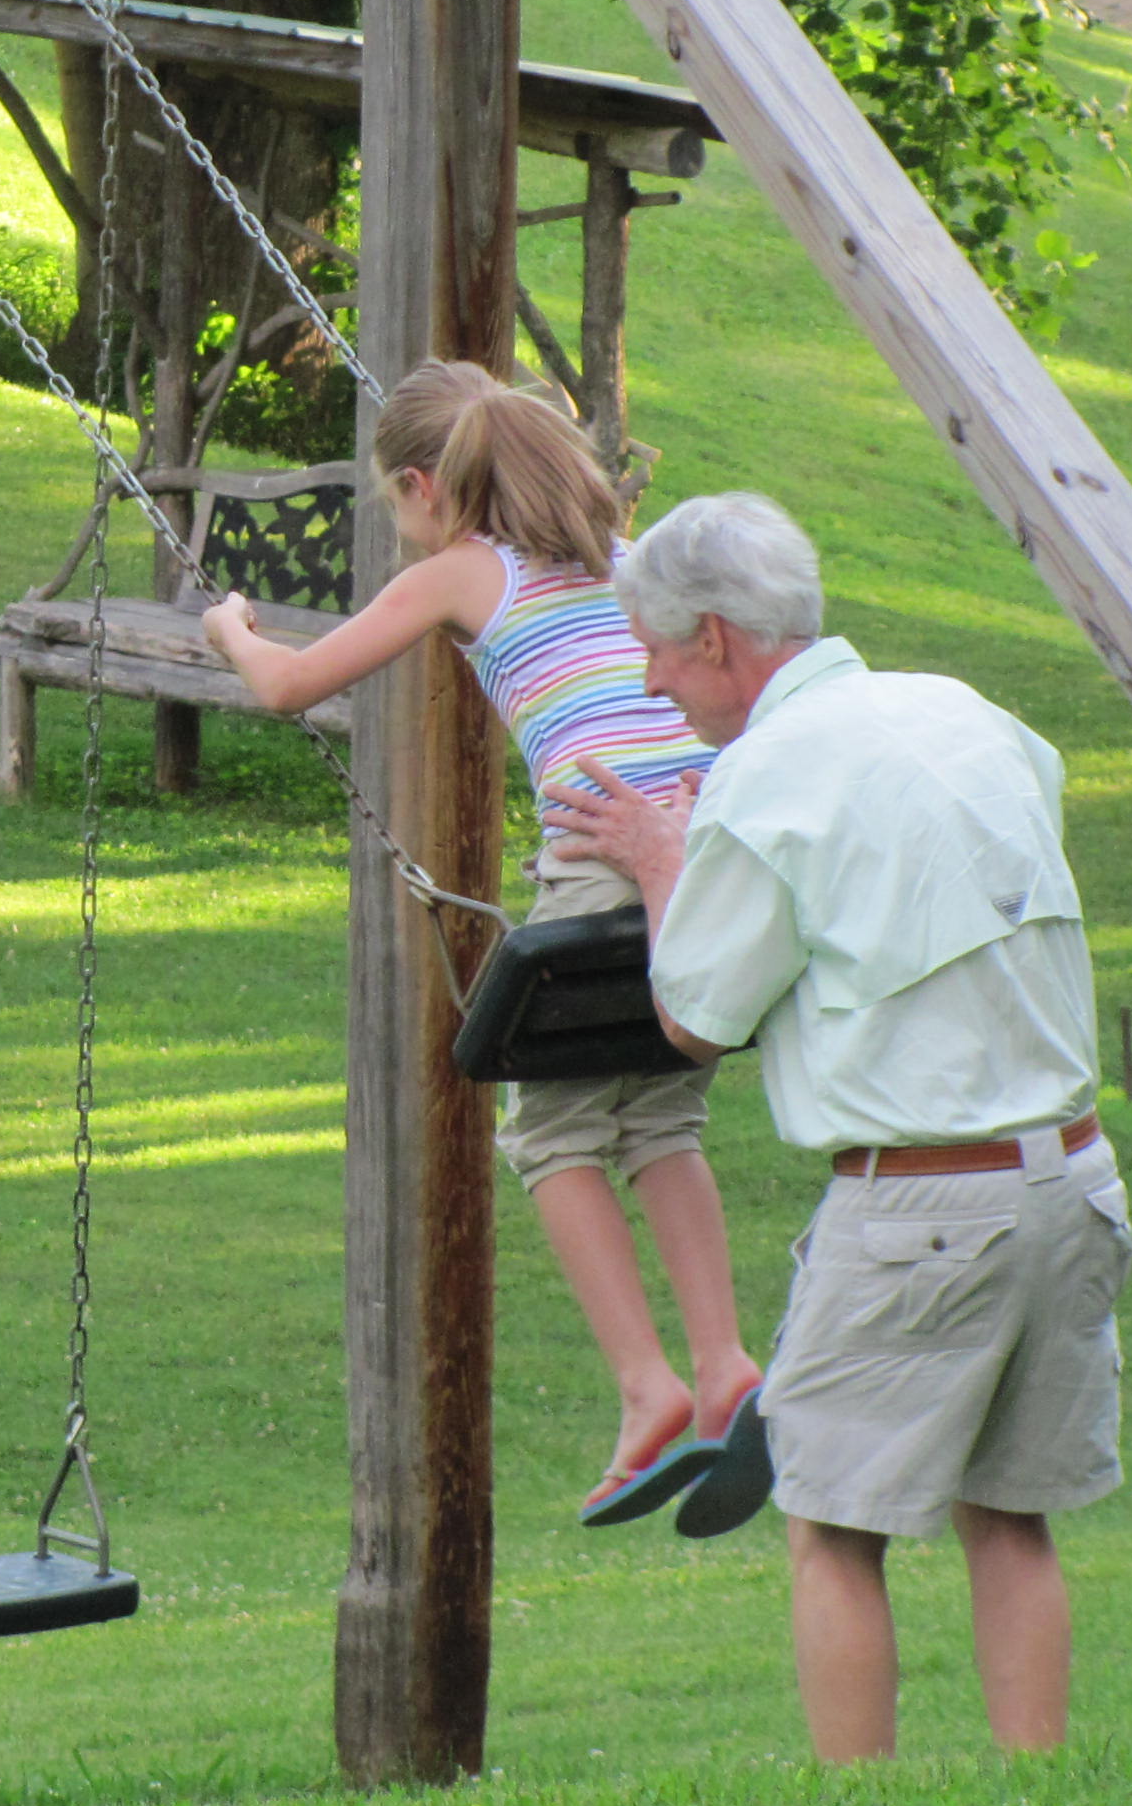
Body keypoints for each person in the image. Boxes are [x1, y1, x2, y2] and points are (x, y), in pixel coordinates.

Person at [544, 493, 1130, 1762]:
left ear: (713, 638)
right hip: (1074, 1179)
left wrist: (662, 859)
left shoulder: (766, 775)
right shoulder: (968, 713)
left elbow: (696, 1018)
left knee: (826, 1524)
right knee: (1010, 1516)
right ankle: (1043, 1791)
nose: (649, 682)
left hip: (920, 1206)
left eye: (653, 650)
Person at [202, 360, 761, 1528]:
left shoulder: (466, 569)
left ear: (424, 486)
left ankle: (647, 1387)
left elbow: (291, 687)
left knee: (550, 1131)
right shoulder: (630, 559)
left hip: (607, 843)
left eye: (394, 508)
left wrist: (231, 629)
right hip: (706, 839)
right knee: (661, 1115)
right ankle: (724, 1367)